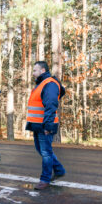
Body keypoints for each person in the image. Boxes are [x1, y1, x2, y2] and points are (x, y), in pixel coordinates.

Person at [26, 61, 66, 190]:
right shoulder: (42, 84)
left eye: (34, 70)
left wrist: (48, 126)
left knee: (46, 153)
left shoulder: (50, 84)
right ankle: (59, 170)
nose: (33, 73)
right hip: (37, 125)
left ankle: (45, 179)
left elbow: (51, 106)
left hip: (45, 126)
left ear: (42, 71)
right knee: (42, 150)